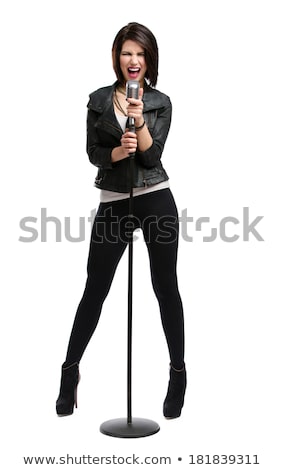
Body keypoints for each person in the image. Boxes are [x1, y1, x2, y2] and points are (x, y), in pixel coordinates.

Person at [56, 22, 186, 419]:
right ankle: (69, 372)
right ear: (117, 56)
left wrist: (139, 122)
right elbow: (93, 151)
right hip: (114, 202)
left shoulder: (159, 101)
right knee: (95, 288)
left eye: (141, 54)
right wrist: (116, 153)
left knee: (165, 287)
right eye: (127, 53)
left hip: (155, 199)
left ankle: (178, 374)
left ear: (150, 60)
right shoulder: (98, 99)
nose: (134, 61)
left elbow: (152, 157)